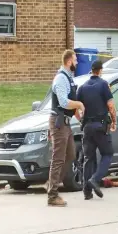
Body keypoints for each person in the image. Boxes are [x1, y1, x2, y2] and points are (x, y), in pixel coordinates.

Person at [48, 49, 85, 207]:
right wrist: (79, 104)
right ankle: (52, 194)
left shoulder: (69, 79)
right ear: (69, 61)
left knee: (70, 154)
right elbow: (63, 102)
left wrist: (79, 115)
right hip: (59, 123)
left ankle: (51, 183)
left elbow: (70, 103)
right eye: (75, 60)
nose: (77, 63)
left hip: (66, 122)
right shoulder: (60, 79)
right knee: (58, 158)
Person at [76, 60, 117, 200]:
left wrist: (81, 120)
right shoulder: (103, 85)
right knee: (108, 153)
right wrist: (114, 122)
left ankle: (87, 192)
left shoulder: (82, 87)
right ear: (100, 70)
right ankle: (95, 179)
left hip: (87, 127)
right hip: (100, 126)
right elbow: (111, 106)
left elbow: (76, 108)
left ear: (91, 70)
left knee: (88, 158)